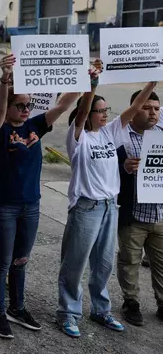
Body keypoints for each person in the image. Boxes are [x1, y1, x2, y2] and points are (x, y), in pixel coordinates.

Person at [0, 54, 80, 339]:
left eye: (29, 105)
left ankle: (18, 307)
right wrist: (5, 79)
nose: (26, 109)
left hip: (31, 205)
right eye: (21, 105)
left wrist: (85, 78)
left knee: (21, 260)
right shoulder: (1, 129)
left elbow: (63, 105)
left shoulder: (36, 125)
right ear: (11, 106)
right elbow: (0, 109)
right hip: (4, 205)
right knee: (2, 261)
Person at [56, 74, 156, 337]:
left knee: (103, 264)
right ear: (87, 114)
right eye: (98, 111)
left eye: (105, 110)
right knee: (74, 264)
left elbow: (134, 109)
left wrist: (153, 82)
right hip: (86, 208)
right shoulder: (78, 138)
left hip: (110, 207)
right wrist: (92, 86)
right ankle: (68, 313)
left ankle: (100, 310)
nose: (103, 114)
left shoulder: (111, 132)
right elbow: (82, 112)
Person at [117, 88, 163, 327]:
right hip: (134, 214)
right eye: (146, 108)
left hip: (160, 214)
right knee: (129, 261)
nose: (153, 113)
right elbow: (104, 169)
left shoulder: (161, 134)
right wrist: (124, 167)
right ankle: (131, 302)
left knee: (161, 262)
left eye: (156, 109)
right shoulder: (120, 137)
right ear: (134, 109)